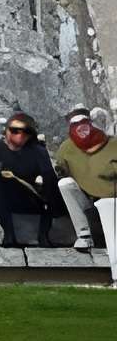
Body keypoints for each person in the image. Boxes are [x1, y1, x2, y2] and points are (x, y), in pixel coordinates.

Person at [0, 112, 61, 246]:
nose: (19, 135)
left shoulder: (38, 150)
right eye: (14, 130)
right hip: (7, 196)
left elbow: (50, 178)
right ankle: (9, 233)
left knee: (52, 188)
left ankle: (43, 234)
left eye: (25, 131)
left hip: (32, 197)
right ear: (7, 131)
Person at [51, 108, 117, 254]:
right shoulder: (65, 148)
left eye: (83, 122)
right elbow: (60, 171)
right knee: (65, 184)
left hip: (112, 197)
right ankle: (84, 234)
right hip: (87, 197)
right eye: (75, 124)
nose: (81, 127)